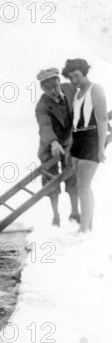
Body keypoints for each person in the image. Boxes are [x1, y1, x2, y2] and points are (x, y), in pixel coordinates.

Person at [62, 59, 108, 233]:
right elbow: (75, 123)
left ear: (84, 72)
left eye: (77, 76)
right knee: (80, 185)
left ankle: (84, 229)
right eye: (71, 77)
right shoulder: (77, 94)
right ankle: (87, 225)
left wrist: (101, 147)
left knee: (83, 186)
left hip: (91, 139)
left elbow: (102, 119)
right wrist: (69, 149)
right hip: (77, 141)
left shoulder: (95, 89)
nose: (74, 80)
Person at [35, 67, 80, 227]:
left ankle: (75, 213)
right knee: (51, 181)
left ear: (59, 82)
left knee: (72, 176)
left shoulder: (70, 89)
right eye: (47, 89)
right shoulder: (42, 106)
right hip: (49, 146)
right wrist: (53, 142)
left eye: (54, 86)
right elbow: (45, 125)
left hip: (68, 142)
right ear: (42, 89)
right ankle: (56, 216)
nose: (52, 91)